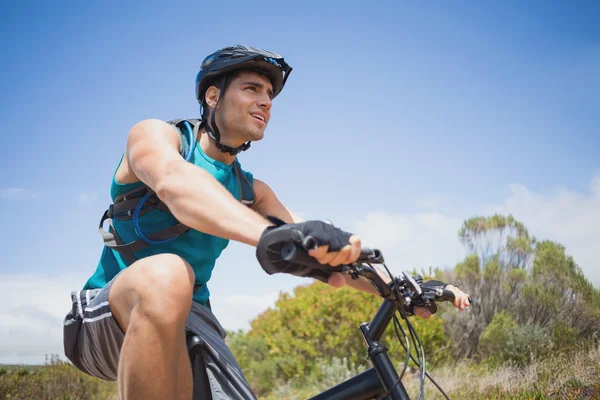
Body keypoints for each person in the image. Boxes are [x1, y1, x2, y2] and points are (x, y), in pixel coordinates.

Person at [62, 45, 471, 400]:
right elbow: (174, 184)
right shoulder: (159, 137)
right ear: (211, 95)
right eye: (252, 88)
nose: (266, 101)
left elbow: (325, 256)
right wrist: (271, 235)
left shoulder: (252, 190)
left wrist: (404, 285)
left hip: (193, 328)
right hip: (105, 318)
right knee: (170, 274)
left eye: (271, 94)